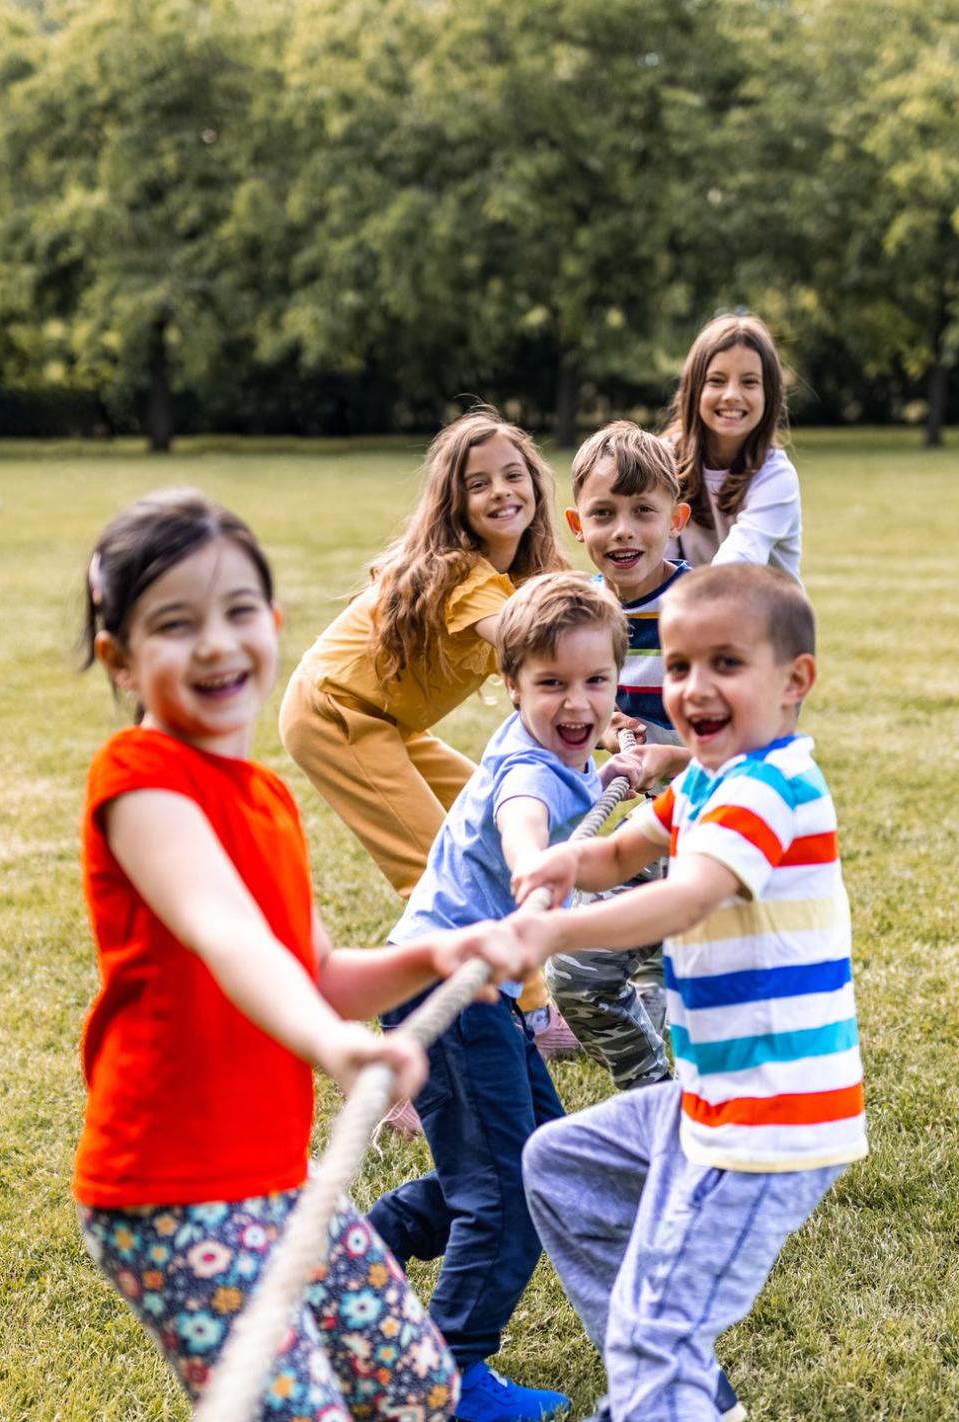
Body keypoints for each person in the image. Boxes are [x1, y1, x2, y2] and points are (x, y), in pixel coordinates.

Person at [73, 488, 523, 1422]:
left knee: (414, 1388)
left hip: (277, 1186)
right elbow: (228, 935)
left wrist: (446, 952)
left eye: (239, 611)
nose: (216, 643)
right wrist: (339, 1047)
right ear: (119, 659)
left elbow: (321, 972)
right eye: (174, 624)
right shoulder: (142, 786)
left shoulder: (268, 802)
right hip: (171, 1197)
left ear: (274, 624)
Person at [503, 563, 867, 1422]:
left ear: (794, 682)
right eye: (677, 667)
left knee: (652, 1328)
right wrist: (560, 863)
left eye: (726, 664)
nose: (694, 688)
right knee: (557, 1165)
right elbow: (623, 855)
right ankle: (677, 1391)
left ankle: (660, 1376)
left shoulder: (771, 787)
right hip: (709, 1101)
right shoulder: (704, 780)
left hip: (768, 1122)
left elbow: (687, 894)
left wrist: (557, 932)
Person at [367, 573, 646, 1422]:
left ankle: (357, 1255)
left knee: (525, 1167)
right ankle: (447, 1375)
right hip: (447, 992)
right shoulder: (529, 771)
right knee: (510, 1197)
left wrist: (620, 765)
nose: (576, 702)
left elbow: (576, 774)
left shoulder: (567, 752)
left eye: (595, 682)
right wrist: (532, 865)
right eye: (551, 684)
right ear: (511, 685)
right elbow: (524, 818)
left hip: (466, 990)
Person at [279, 407, 576, 1069]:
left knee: (490, 815)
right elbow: (539, 646)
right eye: (479, 484)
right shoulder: (465, 578)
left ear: (534, 482)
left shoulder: (526, 575)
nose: (501, 492)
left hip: (390, 723)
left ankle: (533, 1011)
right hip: (337, 715)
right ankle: (415, 1061)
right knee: (436, 874)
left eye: (512, 475)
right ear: (455, 504)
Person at [548, 421, 693, 1090]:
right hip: (635, 836)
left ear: (677, 518)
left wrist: (674, 756)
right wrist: (605, 729)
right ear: (578, 523)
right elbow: (568, 705)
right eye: (604, 514)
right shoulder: (581, 615)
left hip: (707, 834)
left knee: (686, 991)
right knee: (577, 975)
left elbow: (755, 734)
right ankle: (652, 1097)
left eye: (644, 512)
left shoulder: (700, 612)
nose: (624, 531)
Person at [665, 312, 802, 580]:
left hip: (766, 618)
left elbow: (741, 558)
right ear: (694, 389)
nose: (731, 395)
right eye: (717, 380)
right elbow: (655, 561)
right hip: (685, 613)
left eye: (749, 382)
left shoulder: (776, 476)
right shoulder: (663, 461)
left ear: (769, 395)